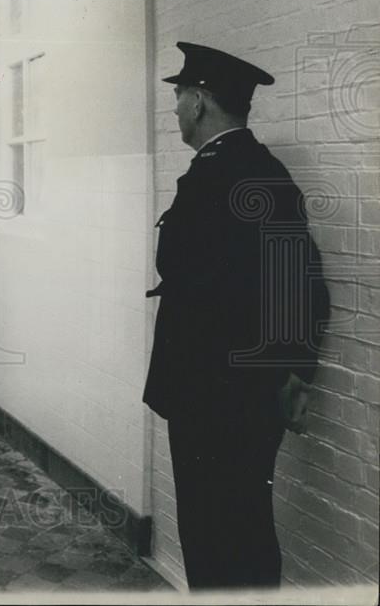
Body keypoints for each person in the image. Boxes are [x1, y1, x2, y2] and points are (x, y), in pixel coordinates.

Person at [144, 42, 330, 590]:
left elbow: (302, 283)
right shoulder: (248, 170)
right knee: (234, 528)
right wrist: (295, 370)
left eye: (180, 96)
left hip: (216, 394)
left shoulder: (233, 173)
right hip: (231, 390)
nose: (175, 108)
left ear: (199, 102)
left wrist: (297, 373)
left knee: (219, 534)